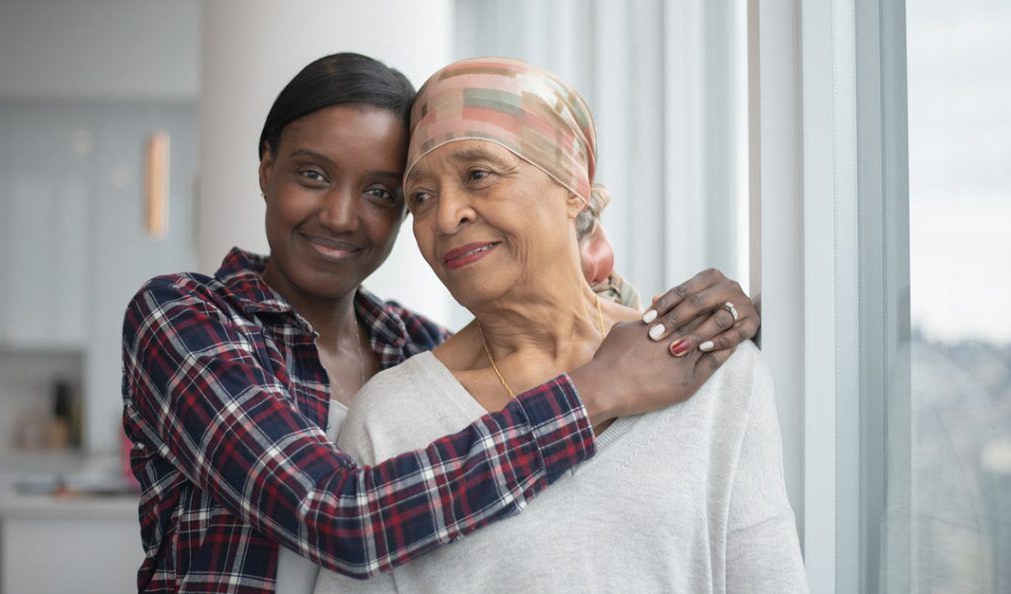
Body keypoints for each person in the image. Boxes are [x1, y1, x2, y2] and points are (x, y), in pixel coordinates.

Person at [121, 53, 760, 594]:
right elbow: (340, 516)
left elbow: (548, 330)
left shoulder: (410, 344)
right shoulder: (185, 320)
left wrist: (697, 320)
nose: (342, 216)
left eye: (382, 193)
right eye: (312, 175)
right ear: (266, 169)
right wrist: (600, 389)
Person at [313, 57, 805, 593]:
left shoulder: (711, 371)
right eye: (421, 198)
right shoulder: (389, 418)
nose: (446, 216)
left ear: (573, 184)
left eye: (478, 174)